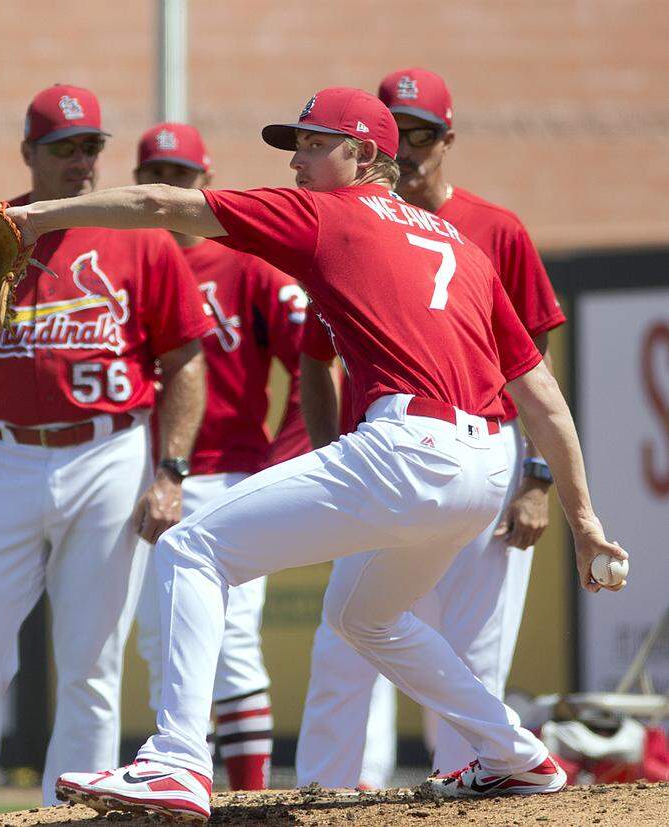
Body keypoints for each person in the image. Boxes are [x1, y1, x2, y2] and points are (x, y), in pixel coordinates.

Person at [1, 86, 625, 821]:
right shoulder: (459, 246)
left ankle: (175, 759)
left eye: (311, 143)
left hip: (411, 448)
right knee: (366, 616)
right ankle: (515, 754)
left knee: (192, 549)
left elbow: (161, 208)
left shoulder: (330, 214)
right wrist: (583, 515)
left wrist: (31, 216)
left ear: (362, 155)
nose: (295, 159)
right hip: (486, 464)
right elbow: (542, 398)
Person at [0, 84, 211, 823]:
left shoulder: (141, 237)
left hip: (108, 453)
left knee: (92, 666)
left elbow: (186, 362)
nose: (80, 160)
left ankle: (71, 815)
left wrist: (170, 471)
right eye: (63, 148)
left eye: (90, 147)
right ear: (29, 155)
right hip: (5, 455)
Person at [295, 67, 569, 788]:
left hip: (486, 448)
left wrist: (538, 480)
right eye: (397, 131)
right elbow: (313, 359)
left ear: (447, 140)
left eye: (423, 133)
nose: (408, 148)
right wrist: (333, 458)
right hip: (384, 453)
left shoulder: (495, 228)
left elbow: (535, 371)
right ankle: (325, 793)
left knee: (472, 651)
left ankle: (469, 787)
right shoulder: (343, 225)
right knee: (344, 644)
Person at [131, 122, 309, 790]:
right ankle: (185, 782)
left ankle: (252, 796)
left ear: (205, 182)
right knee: (162, 647)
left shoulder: (246, 265)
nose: (169, 185)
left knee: (232, 645)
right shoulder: (133, 261)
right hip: (147, 479)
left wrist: (282, 462)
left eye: (181, 175)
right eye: (158, 173)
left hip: (231, 475)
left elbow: (314, 366)